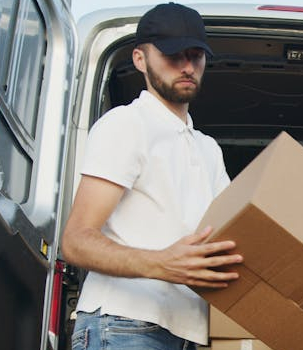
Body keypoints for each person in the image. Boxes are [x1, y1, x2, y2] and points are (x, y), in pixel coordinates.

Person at [61, 3, 241, 349]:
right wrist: (161, 264)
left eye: (196, 55)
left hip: (191, 334)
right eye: (174, 55)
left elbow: (230, 234)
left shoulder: (208, 148)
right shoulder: (126, 125)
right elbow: (75, 240)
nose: (188, 66)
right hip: (124, 324)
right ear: (140, 59)